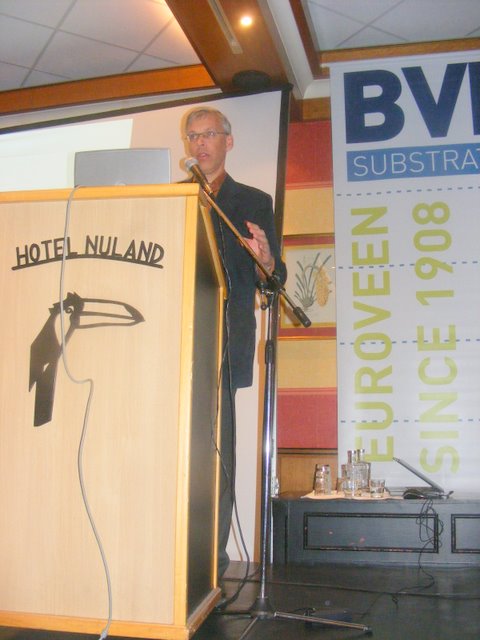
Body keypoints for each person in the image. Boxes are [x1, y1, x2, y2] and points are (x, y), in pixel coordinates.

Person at [182, 106, 287, 581]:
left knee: (217, 449)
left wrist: (267, 261)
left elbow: (273, 278)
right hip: (177, 339)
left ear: (228, 141)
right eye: (192, 136)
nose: (199, 143)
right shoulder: (174, 197)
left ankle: (211, 562)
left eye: (208, 134)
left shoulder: (251, 201)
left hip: (225, 339)